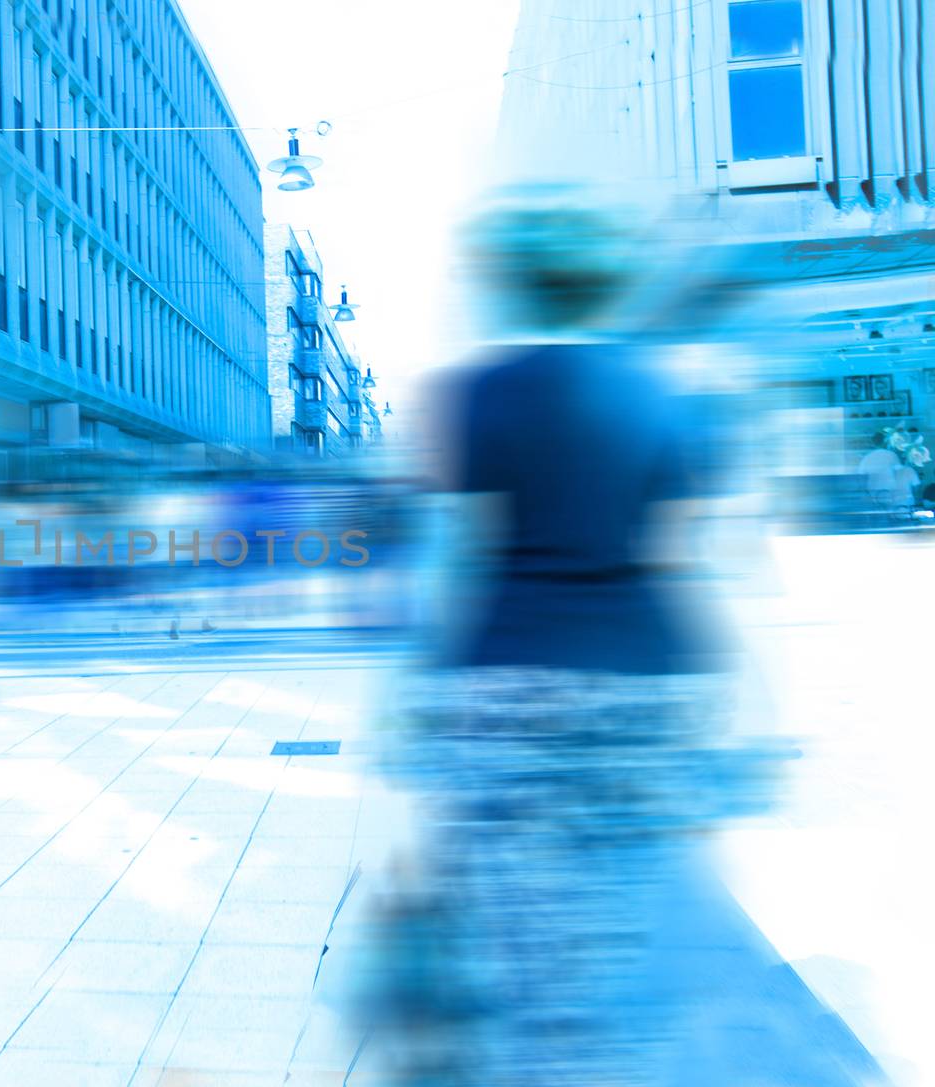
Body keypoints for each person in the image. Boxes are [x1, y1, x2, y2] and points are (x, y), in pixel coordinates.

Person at [347, 194, 872, 1087]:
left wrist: (410, 699)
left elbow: (452, 561)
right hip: (646, 684)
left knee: (526, 943)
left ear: (513, 288)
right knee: (622, 924)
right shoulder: (671, 396)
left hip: (509, 686)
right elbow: (691, 561)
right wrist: (751, 712)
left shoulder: (468, 395)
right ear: (605, 287)